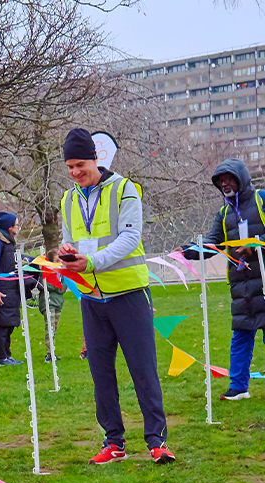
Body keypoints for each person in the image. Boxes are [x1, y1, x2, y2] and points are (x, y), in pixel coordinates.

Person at [58, 127, 174, 465]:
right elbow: (70, 239)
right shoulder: (68, 200)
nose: (75, 172)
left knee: (143, 370)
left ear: (95, 159)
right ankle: (114, 443)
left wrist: (92, 261)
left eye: (80, 165)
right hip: (92, 298)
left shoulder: (125, 189)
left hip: (129, 295)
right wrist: (68, 252)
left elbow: (130, 238)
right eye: (69, 167)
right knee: (101, 375)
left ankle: (157, 442)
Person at [182, 158, 264, 401]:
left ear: (241, 179)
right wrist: (188, 251)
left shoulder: (261, 199)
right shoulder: (224, 213)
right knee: (241, 335)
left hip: (264, 281)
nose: (224, 184)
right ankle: (238, 387)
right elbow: (212, 243)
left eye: (228, 179)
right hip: (241, 286)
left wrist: (255, 246)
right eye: (220, 181)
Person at [0, 212, 21, 365]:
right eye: (17, 224)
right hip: (1, 289)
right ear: (9, 227)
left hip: (11, 289)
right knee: (1, 325)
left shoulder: (10, 243)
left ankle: (7, 355)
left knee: (10, 324)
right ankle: (2, 357)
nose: (18, 227)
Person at [38, 251, 66, 362]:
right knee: (50, 328)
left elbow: (62, 288)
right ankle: (49, 353)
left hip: (58, 303)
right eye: (57, 260)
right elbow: (48, 286)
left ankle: (52, 351)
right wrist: (57, 286)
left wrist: (57, 286)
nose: (60, 263)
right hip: (48, 303)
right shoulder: (46, 272)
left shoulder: (61, 274)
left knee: (55, 328)